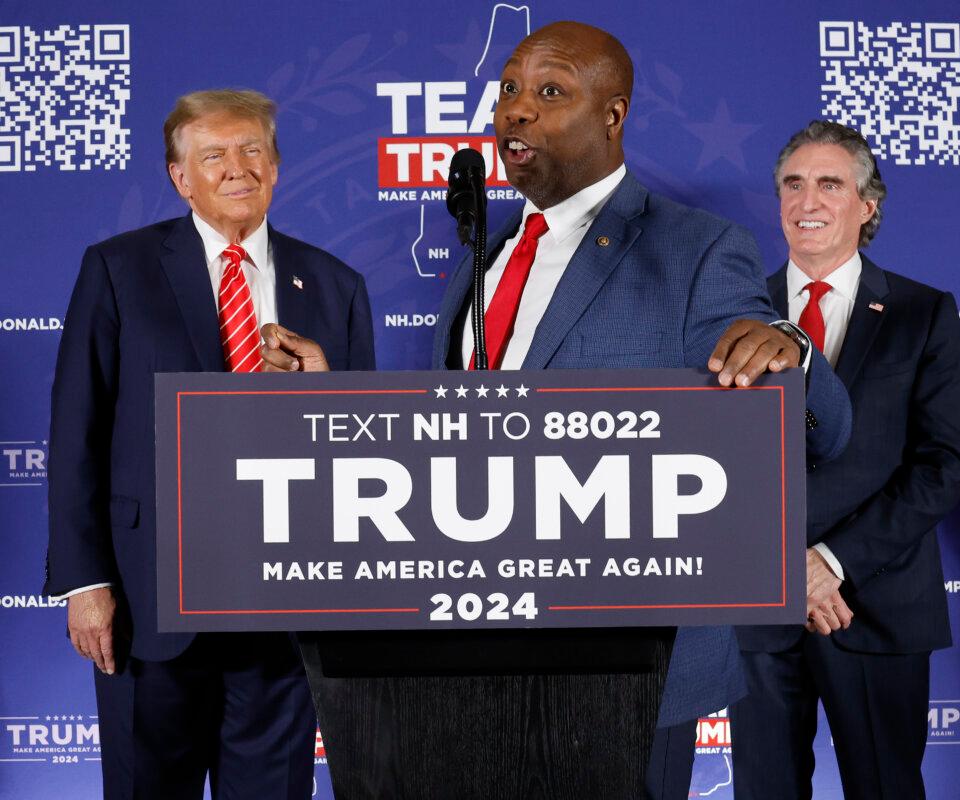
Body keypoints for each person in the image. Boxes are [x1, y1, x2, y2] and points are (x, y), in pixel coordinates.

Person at [428, 21, 853, 798]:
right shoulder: (482, 261)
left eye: (550, 92)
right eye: (510, 91)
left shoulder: (694, 248)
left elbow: (805, 421)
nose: (516, 111)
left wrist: (788, 349)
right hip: (488, 648)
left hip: (634, 661)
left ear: (613, 115)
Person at [43, 89, 375, 798]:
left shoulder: (335, 286)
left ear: (277, 167)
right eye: (214, 154)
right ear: (179, 176)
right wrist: (86, 582)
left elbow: (360, 456)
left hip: (282, 612)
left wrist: (319, 391)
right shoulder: (118, 269)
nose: (237, 168)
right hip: (147, 602)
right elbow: (78, 429)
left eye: (253, 150)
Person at [723, 121, 960, 799]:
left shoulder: (924, 314)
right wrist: (784, 569)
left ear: (867, 205)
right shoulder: (729, 313)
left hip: (876, 602)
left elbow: (939, 467)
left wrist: (827, 564)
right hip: (759, 610)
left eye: (830, 183)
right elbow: (710, 467)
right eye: (793, 184)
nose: (809, 199)